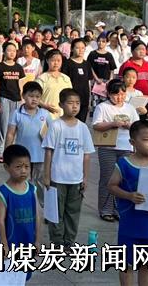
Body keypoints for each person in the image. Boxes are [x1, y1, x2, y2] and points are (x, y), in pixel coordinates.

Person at [107, 120, 148, 286]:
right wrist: (129, 195)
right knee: (126, 264)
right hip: (130, 224)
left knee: (146, 264)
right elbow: (111, 186)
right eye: (146, 139)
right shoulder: (124, 164)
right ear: (132, 142)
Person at [42, 89, 95, 248]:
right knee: (56, 211)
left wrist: (85, 177)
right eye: (70, 103)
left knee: (73, 212)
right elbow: (49, 151)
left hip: (75, 178)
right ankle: (57, 241)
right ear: (61, 105)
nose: (74, 107)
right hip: (58, 177)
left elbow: (86, 154)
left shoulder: (83, 128)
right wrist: (46, 175)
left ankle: (69, 241)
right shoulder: (56, 125)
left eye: (77, 103)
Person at [92, 78, 140, 222]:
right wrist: (113, 124)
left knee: (123, 179)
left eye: (122, 94)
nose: (119, 97)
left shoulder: (129, 108)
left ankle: (119, 209)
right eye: (116, 94)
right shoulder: (102, 107)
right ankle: (105, 209)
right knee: (107, 178)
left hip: (126, 147)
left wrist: (129, 125)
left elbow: (137, 126)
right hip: (108, 147)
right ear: (109, 94)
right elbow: (96, 125)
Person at [0, 144, 40, 283]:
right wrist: (4, 244)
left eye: (27, 166)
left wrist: (38, 240)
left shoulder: (32, 189)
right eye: (18, 167)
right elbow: (1, 220)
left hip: (27, 241)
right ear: (6, 167)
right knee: (8, 275)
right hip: (11, 242)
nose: (23, 171)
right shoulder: (4, 192)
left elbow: (38, 216)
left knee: (24, 275)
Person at [5, 81, 50, 204]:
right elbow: (10, 133)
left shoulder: (45, 114)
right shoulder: (16, 113)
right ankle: (24, 203)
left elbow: (52, 134)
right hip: (23, 156)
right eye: (31, 96)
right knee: (22, 180)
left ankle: (42, 207)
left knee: (40, 182)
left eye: (37, 97)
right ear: (23, 96)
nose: (34, 99)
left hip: (41, 156)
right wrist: (7, 152)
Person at [0, 42, 25, 162]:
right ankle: (1, 152)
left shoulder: (18, 68)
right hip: (3, 98)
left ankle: (11, 152)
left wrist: (22, 100)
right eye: (9, 50)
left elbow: (21, 86)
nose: (11, 52)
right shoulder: (0, 67)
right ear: (4, 52)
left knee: (14, 127)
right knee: (3, 126)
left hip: (16, 99)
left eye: (14, 50)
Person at [62, 38, 92, 122]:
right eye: (77, 48)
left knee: (81, 124)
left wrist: (89, 101)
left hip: (84, 99)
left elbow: (89, 82)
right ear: (72, 49)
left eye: (83, 48)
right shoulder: (67, 64)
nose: (81, 50)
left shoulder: (87, 64)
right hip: (71, 100)